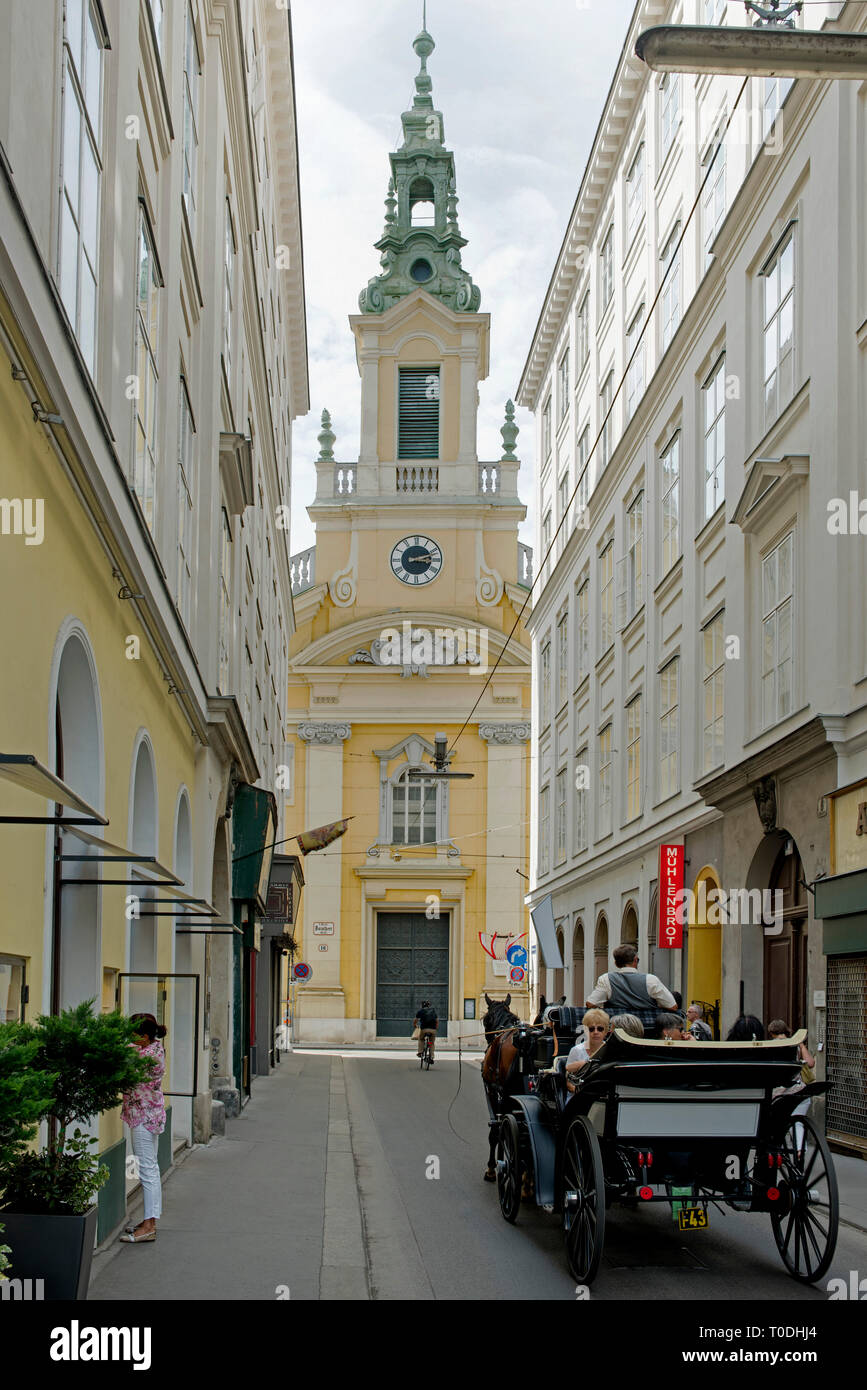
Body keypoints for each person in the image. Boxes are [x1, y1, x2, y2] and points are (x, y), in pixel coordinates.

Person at [119, 1013, 167, 1244]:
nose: (130, 1038)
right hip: (152, 1115)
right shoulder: (155, 1048)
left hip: (142, 1118)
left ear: (145, 1037)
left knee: (148, 1171)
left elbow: (124, 1068)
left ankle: (149, 1225)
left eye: (134, 1034)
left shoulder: (144, 1055)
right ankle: (149, 1221)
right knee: (151, 1169)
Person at [586, 943, 676, 1032]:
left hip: (618, 1029)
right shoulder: (651, 980)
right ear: (635, 960)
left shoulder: (606, 979)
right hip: (647, 1030)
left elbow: (591, 1004)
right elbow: (672, 1006)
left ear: (616, 963)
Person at [565, 1008, 610, 1090]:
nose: (596, 1032)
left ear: (606, 1031)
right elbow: (569, 1083)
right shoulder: (576, 1050)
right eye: (591, 1029)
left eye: (600, 1029)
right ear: (586, 1031)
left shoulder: (610, 1050)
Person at [414, 999, 438, 1063]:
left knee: (421, 1039)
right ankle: (431, 1056)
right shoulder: (433, 1011)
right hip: (433, 1029)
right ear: (429, 1005)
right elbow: (437, 1021)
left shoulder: (421, 1011)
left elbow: (416, 1020)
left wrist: (415, 1025)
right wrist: (436, 1028)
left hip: (424, 1029)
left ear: (422, 1005)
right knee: (431, 1043)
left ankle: (420, 1052)